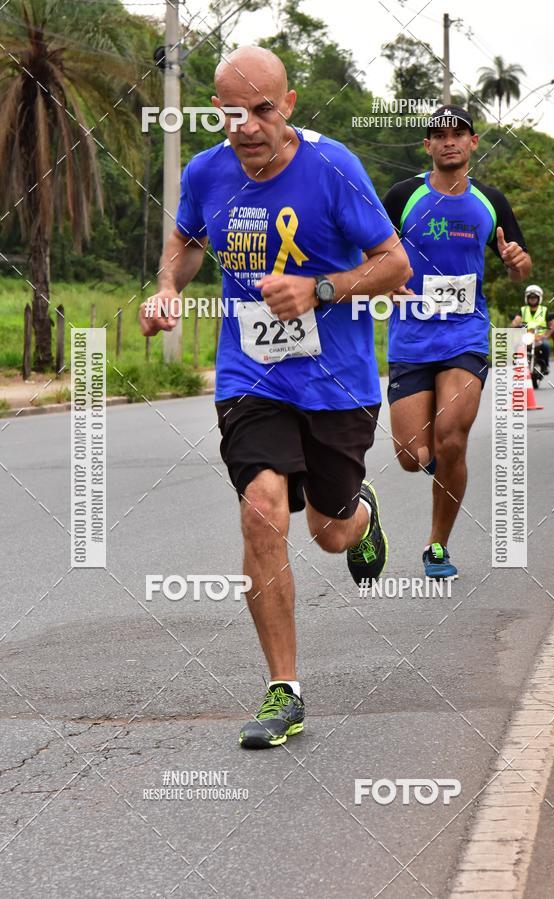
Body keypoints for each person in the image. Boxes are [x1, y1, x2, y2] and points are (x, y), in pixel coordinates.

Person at [139, 46, 412, 748]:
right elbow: (186, 239)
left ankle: (360, 513)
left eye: (262, 109)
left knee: (328, 531)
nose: (248, 125)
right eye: (233, 111)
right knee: (262, 509)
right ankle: (283, 690)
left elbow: (395, 264)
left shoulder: (333, 169)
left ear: (287, 105)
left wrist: (320, 289)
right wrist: (169, 286)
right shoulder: (206, 172)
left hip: (338, 383)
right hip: (251, 376)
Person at [383, 105, 532, 579]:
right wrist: (383, 282)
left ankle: (437, 547)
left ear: (472, 143)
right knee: (411, 457)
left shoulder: (490, 201)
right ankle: (427, 461)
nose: (449, 141)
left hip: (466, 334)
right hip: (410, 336)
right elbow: (372, 255)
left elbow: (521, 266)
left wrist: (513, 261)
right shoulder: (402, 196)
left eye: (458, 134)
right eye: (439, 135)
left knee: (452, 440)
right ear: (427, 146)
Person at [511, 285, 554, 374]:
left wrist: (545, 336)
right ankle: (515, 363)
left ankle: (545, 365)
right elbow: (517, 320)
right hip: (525, 336)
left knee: (546, 346)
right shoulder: (523, 310)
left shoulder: (544, 310)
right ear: (527, 298)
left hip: (539, 337)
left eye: (535, 297)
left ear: (539, 298)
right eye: (530, 297)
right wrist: (516, 323)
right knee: (515, 344)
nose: (533, 299)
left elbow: (552, 325)